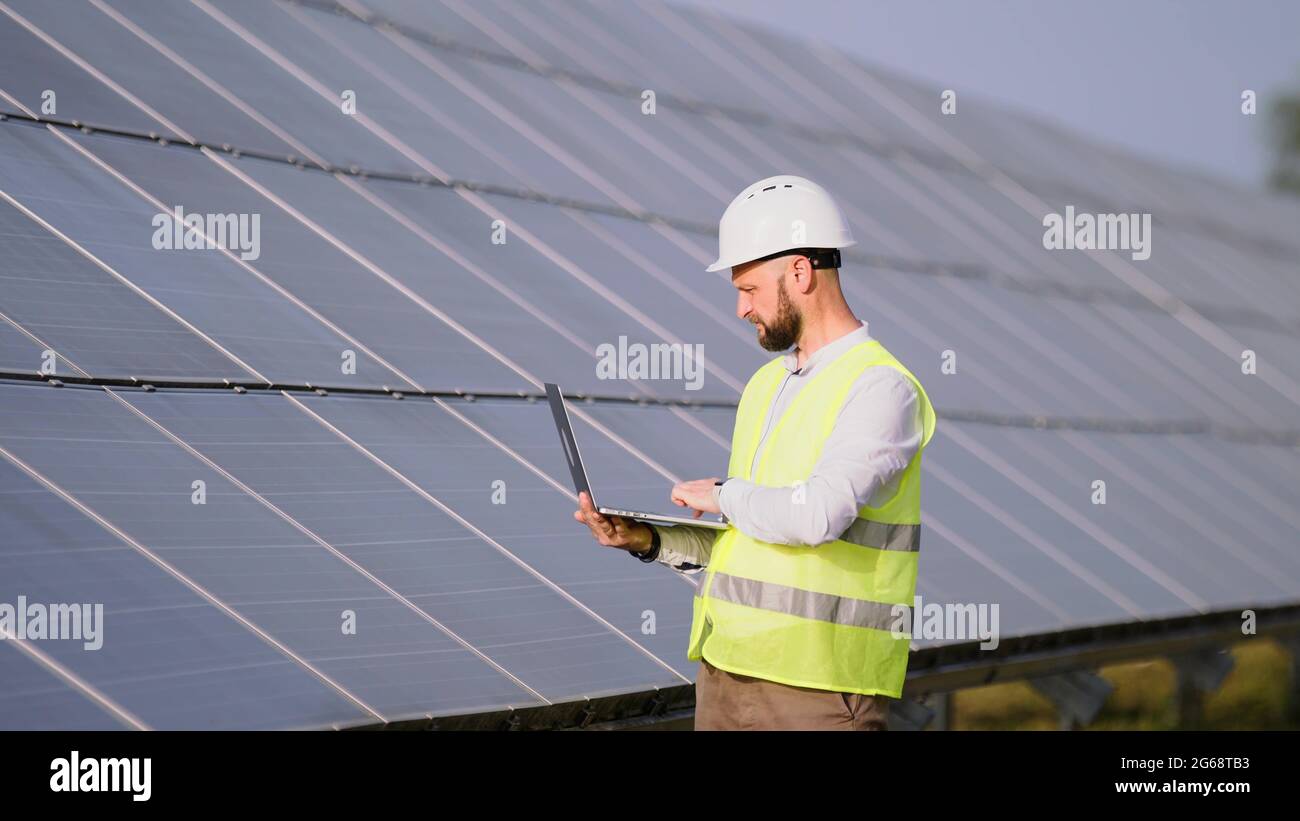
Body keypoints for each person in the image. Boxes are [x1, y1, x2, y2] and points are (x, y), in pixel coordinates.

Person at [573, 174, 936, 730]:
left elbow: (816, 514)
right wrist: (647, 539)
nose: (741, 308)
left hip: (817, 689)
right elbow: (751, 541)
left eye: (749, 289)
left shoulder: (880, 388)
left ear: (799, 271)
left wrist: (724, 494)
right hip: (726, 672)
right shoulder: (768, 385)